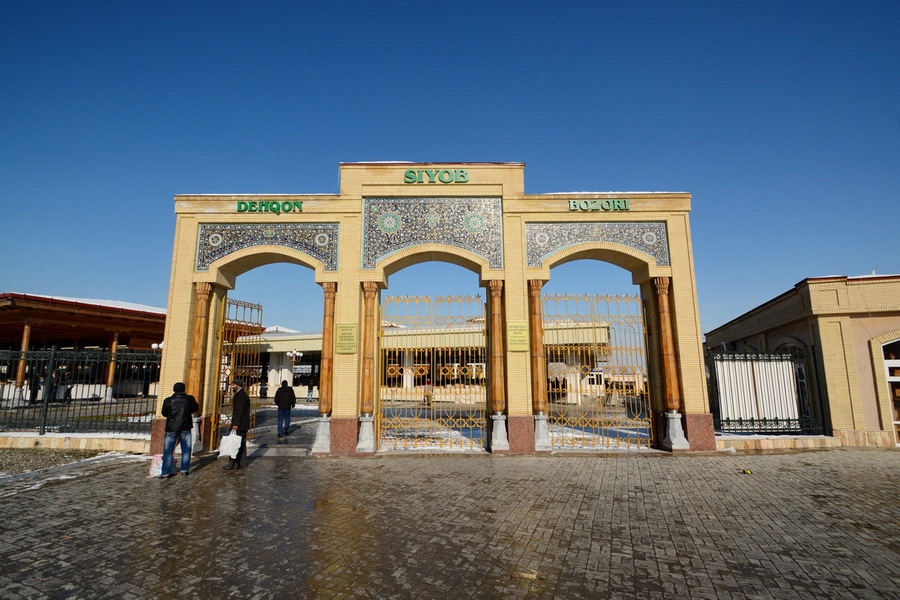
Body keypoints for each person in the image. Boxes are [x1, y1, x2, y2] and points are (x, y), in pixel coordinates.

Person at [160, 382, 199, 478]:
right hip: (185, 427)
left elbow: (164, 413)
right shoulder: (189, 399)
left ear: (174, 390)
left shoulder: (168, 400)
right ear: (184, 389)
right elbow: (195, 408)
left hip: (171, 428)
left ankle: (165, 472)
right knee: (186, 449)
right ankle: (184, 470)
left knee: (168, 450)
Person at [224, 379, 251, 470]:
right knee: (241, 443)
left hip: (239, 424)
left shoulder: (240, 396)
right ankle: (242, 463)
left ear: (238, 386)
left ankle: (234, 464)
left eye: (233, 385)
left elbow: (239, 411)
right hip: (244, 423)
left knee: (235, 444)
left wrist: (235, 424)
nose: (232, 387)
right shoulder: (243, 395)